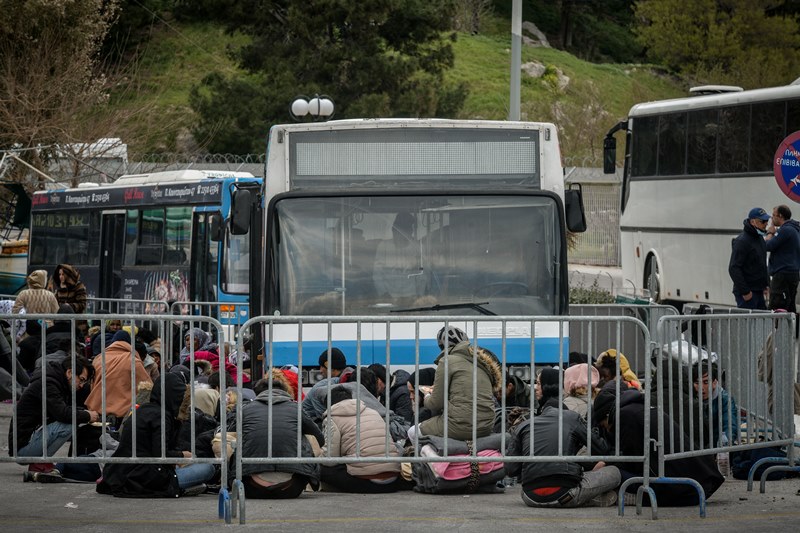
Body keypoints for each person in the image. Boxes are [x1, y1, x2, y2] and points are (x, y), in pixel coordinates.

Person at [592, 384, 724, 507]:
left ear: (607, 415)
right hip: (695, 485)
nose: (608, 430)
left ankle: (582, 495)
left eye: (604, 425)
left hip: (677, 490)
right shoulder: (639, 408)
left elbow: (634, 460)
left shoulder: (625, 416)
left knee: (613, 473)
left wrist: (607, 464)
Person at [507, 368, 620, 508]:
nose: (535, 388)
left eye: (538, 383)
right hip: (565, 494)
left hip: (529, 497)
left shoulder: (524, 424)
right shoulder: (572, 418)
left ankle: (588, 498)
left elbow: (511, 470)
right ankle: (604, 499)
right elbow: (602, 449)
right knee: (614, 473)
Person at [97, 372, 215, 497]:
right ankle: (180, 487)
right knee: (208, 468)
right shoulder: (162, 416)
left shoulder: (144, 409)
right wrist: (182, 455)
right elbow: (160, 454)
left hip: (124, 473)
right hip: (146, 477)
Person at [11, 354, 99, 482]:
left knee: (73, 419)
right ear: (69, 372)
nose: (81, 385)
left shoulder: (56, 381)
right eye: (81, 379)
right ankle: (41, 462)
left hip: (28, 441)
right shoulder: (48, 384)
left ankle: (41, 461)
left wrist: (84, 413)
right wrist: (87, 415)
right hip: (23, 449)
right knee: (68, 424)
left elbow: (61, 410)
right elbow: (62, 413)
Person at [233, 377, 323, 499]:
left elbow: (229, 432)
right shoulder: (296, 408)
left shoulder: (245, 409)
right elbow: (320, 439)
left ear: (258, 393)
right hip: (291, 488)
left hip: (251, 487)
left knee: (231, 441)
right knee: (309, 439)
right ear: (285, 391)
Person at [410, 326, 501, 441]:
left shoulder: (447, 361)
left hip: (459, 425)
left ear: (441, 345)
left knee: (413, 432)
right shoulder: (481, 363)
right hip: (486, 426)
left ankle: (430, 458)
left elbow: (435, 404)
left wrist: (427, 395)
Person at [319, 386, 402, 492]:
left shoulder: (332, 418)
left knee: (318, 469)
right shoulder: (373, 412)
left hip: (366, 481)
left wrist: (317, 455)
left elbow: (330, 460)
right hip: (393, 479)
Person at [84, 330, 153, 426]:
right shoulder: (133, 361)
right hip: (124, 416)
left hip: (98, 413)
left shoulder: (98, 359)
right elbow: (147, 386)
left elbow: (92, 384)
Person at [373, 212, 423, 300]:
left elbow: (423, 274)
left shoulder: (417, 247)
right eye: (398, 231)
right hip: (390, 298)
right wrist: (384, 293)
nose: (401, 235)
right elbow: (377, 275)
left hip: (412, 297)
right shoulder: (383, 246)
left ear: (410, 232)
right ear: (393, 230)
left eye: (406, 231)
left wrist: (420, 295)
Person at [728, 207, 770, 309]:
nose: (766, 224)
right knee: (749, 324)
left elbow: (762, 264)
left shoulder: (759, 238)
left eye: (767, 221)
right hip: (748, 293)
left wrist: (766, 284)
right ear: (753, 222)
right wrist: (745, 292)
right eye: (763, 221)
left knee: (762, 322)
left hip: (758, 290)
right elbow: (733, 268)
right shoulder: (742, 241)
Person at [691, 361, 738, 448]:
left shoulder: (725, 399)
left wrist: (723, 447)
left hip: (717, 448)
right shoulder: (689, 398)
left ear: (714, 383)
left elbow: (729, 425)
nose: (701, 388)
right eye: (697, 383)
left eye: (705, 382)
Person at [765, 204, 800, 313]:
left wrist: (770, 232)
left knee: (777, 305)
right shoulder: (795, 229)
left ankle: (777, 329)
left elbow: (767, 246)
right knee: (790, 306)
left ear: (780, 216)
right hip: (793, 273)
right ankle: (792, 330)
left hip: (782, 275)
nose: (771, 219)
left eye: (773, 215)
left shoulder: (785, 230)